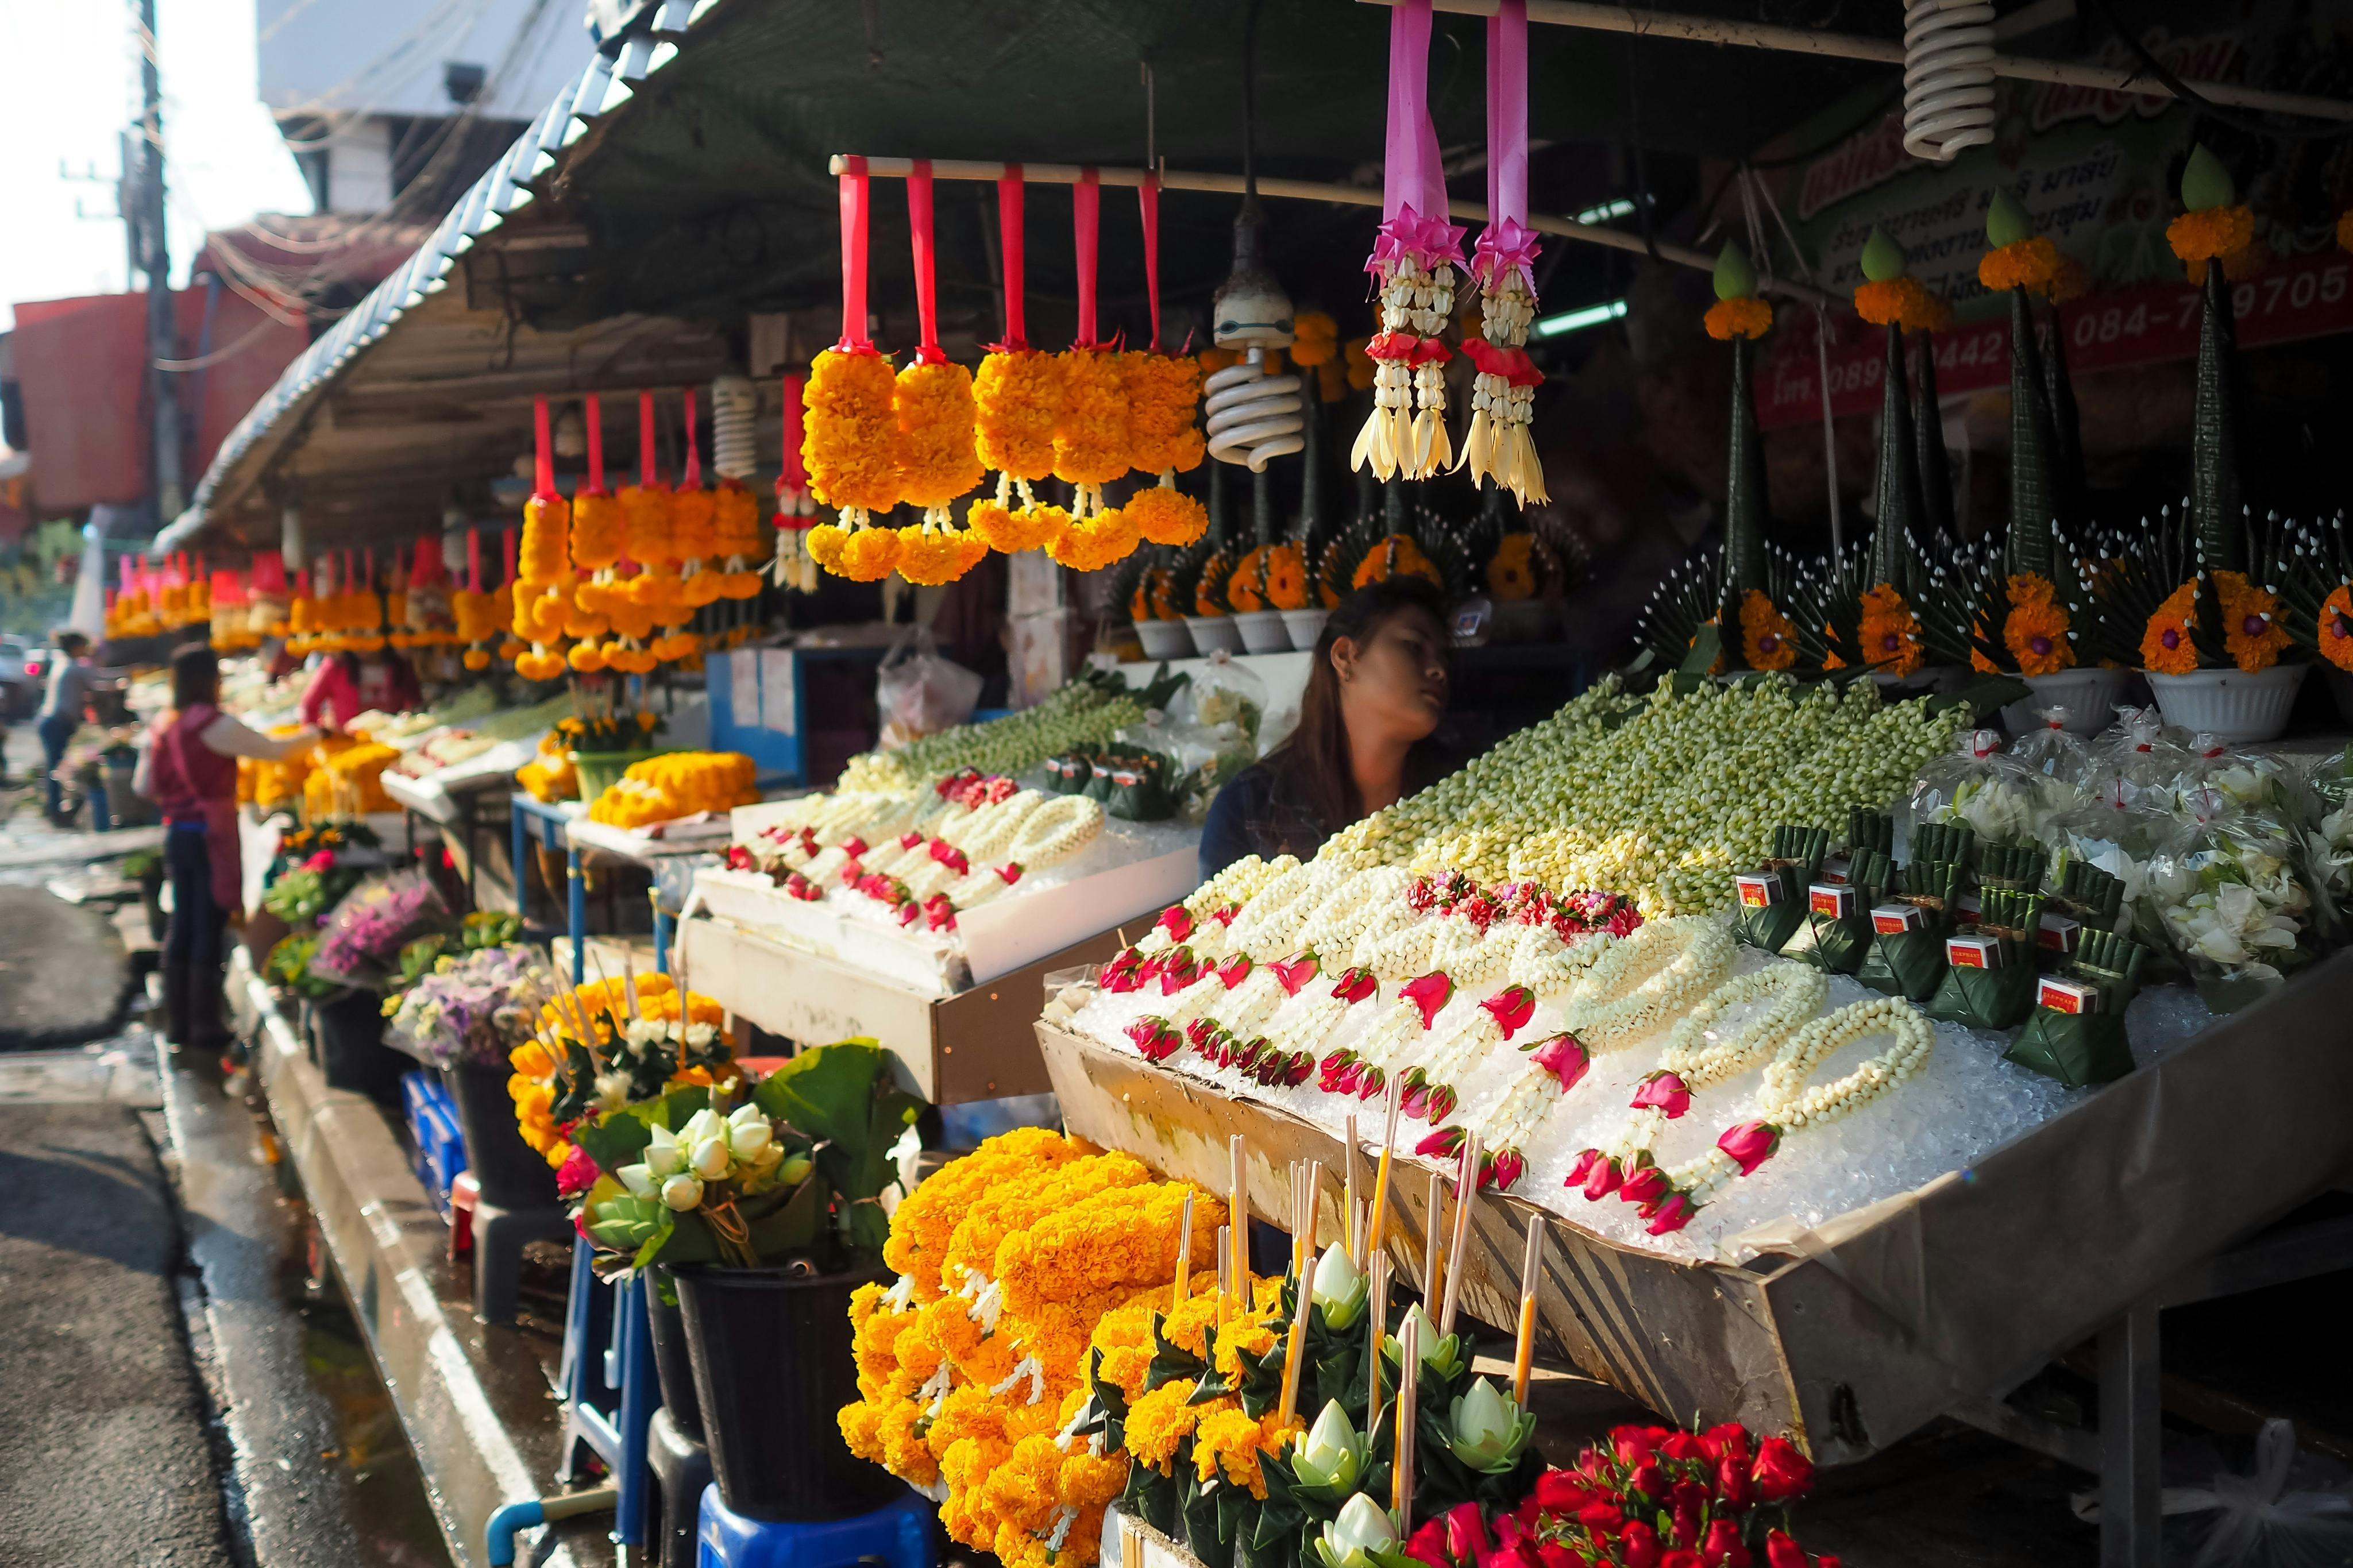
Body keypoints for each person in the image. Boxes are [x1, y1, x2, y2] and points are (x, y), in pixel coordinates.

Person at [1199, 577, 1455, 880]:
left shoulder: (1467, 792)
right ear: (1346, 656)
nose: (1439, 669)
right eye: (1414, 646)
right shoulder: (1248, 809)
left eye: (1444, 656)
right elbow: (1215, 926)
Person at [134, 643, 319, 1052]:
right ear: (208, 679)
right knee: (208, 922)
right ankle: (205, 1025)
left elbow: (143, 787)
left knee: (182, 924)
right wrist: (317, 735)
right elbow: (272, 751)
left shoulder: (162, 725)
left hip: (177, 834)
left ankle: (176, 1022)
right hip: (209, 836)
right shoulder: (211, 724)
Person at [36, 629, 107, 825]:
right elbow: (100, 684)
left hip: (52, 721)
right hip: (57, 723)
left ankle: (55, 809)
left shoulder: (63, 664)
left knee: (55, 766)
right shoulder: (75, 667)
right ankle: (56, 812)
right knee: (56, 768)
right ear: (77, 647)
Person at [299, 644, 421, 733]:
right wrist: (317, 736)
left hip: (391, 740)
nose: (362, 645)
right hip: (347, 745)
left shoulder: (400, 665)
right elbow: (309, 705)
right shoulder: (336, 665)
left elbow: (414, 701)